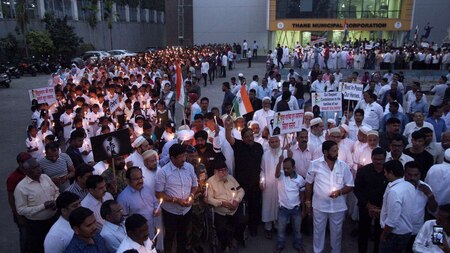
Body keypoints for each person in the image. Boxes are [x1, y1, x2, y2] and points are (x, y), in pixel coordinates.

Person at [305, 140, 354, 253]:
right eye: (334, 151)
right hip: (320, 206)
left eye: (337, 150)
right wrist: (307, 202)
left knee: (336, 233)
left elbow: (350, 185)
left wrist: (339, 192)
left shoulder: (343, 166)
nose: (336, 153)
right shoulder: (315, 164)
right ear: (325, 152)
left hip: (338, 207)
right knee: (318, 231)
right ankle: (318, 251)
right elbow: (308, 183)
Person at [224, 116, 264, 236]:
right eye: (246, 137)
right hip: (241, 183)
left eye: (251, 135)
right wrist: (228, 127)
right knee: (241, 207)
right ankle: (240, 229)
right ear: (242, 138)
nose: (250, 138)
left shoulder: (259, 147)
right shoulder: (238, 145)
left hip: (255, 183)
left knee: (255, 206)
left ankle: (253, 227)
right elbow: (228, 137)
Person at [155, 144, 198, 253]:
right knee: (170, 236)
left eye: (184, 156)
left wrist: (191, 196)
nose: (183, 159)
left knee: (183, 235)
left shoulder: (189, 167)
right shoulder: (163, 172)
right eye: (180, 157)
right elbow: (159, 194)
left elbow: (195, 185)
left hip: (187, 210)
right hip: (171, 212)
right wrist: (176, 200)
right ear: (172, 158)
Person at [14, 158, 60, 253]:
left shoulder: (45, 177)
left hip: (54, 218)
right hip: (37, 225)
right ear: (26, 171)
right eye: (34, 168)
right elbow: (21, 210)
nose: (38, 169)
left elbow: (56, 191)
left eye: (38, 166)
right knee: (40, 246)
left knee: (56, 244)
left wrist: (55, 201)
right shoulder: (21, 188)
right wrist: (43, 207)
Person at [206, 155, 246, 253]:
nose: (224, 173)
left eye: (225, 170)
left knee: (243, 221)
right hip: (221, 211)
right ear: (215, 171)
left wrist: (237, 200)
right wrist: (221, 203)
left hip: (235, 208)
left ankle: (235, 241)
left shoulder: (231, 178)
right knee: (220, 228)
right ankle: (224, 244)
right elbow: (208, 199)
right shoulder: (210, 182)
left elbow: (241, 190)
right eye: (221, 171)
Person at [354, 148, 388, 253]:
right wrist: (368, 205)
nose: (378, 162)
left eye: (381, 159)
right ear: (372, 158)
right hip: (365, 207)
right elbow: (357, 189)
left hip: (383, 208)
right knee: (363, 232)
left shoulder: (388, 172)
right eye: (376, 159)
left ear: (385, 159)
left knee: (379, 233)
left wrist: (381, 208)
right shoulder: (363, 171)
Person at [379, 160, 415, 253]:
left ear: (390, 172)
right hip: (406, 231)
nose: (385, 175)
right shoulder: (409, 185)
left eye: (385, 172)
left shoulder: (394, 191)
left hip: (394, 234)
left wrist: (384, 235)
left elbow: (392, 219)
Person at [118, 166, 159, 243]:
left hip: (152, 230)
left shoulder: (146, 188)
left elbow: (155, 202)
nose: (140, 181)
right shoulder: (123, 198)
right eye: (136, 179)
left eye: (141, 177)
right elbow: (124, 221)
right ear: (128, 181)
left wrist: (156, 208)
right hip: (140, 237)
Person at [404, 161, 438, 253]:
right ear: (404, 173)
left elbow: (433, 209)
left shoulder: (426, 187)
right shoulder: (398, 186)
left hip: (416, 230)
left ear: (420, 174)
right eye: (409, 175)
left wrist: (430, 195)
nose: (412, 178)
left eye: (416, 175)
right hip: (399, 229)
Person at [274, 157, 306, 253]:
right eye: (284, 168)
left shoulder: (300, 179)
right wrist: (279, 162)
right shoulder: (281, 176)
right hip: (283, 209)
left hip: (296, 209)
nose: (286, 170)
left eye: (288, 168)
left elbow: (302, 195)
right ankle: (280, 245)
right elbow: (277, 173)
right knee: (281, 230)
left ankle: (298, 245)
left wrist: (303, 209)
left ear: (294, 168)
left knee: (297, 230)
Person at [260, 136, 287, 239]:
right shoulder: (265, 155)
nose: (275, 144)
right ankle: (268, 228)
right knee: (268, 206)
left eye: (276, 141)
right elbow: (262, 169)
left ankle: (278, 226)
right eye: (272, 142)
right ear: (269, 143)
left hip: (281, 184)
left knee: (280, 205)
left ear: (280, 142)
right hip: (269, 185)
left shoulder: (284, 153)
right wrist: (261, 180)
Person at [7, 152, 32, 253]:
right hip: (22, 212)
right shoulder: (13, 178)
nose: (29, 163)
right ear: (20, 164)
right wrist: (18, 216)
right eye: (26, 162)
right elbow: (11, 198)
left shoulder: (32, 171)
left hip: (32, 209)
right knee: (25, 235)